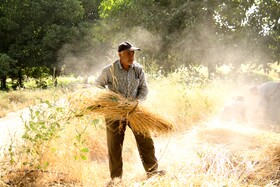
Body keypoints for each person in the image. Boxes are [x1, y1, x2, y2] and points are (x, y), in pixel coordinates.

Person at [94, 41, 165, 182]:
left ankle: (153, 172)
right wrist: (110, 99)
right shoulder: (110, 70)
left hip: (135, 112)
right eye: (128, 53)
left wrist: (137, 102)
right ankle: (116, 179)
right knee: (114, 146)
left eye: (133, 53)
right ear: (120, 54)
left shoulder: (138, 69)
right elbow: (97, 86)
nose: (132, 56)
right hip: (114, 113)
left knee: (146, 141)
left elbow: (144, 89)